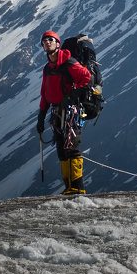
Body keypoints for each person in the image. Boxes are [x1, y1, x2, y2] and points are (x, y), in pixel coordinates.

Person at [35, 30, 91, 195]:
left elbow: (86, 78)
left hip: (70, 111)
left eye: (50, 40)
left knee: (71, 147)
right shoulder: (48, 68)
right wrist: (41, 116)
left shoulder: (68, 62)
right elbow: (45, 94)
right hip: (57, 112)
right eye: (44, 41)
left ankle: (77, 187)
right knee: (62, 148)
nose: (47, 43)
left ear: (57, 43)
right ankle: (69, 187)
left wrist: (72, 96)